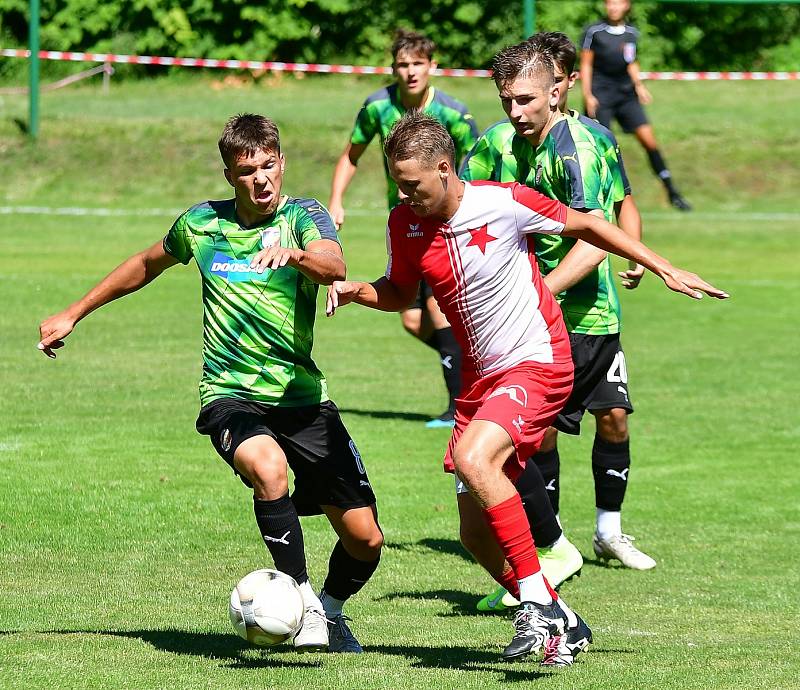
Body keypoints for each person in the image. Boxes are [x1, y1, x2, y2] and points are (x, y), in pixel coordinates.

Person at [326, 111, 726, 665]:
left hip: (538, 362)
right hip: (481, 382)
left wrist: (664, 267)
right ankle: (561, 619)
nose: (405, 193)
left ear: (445, 168)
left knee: (473, 459)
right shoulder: (404, 221)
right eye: (398, 183)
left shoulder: (502, 201)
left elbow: (589, 225)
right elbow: (399, 291)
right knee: (475, 534)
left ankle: (534, 606)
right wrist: (354, 292)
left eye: (414, 183)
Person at [37, 113, 384, 654]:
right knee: (267, 467)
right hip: (229, 394)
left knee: (365, 541)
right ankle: (302, 601)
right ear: (229, 175)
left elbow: (332, 264)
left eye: (269, 166)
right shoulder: (201, 225)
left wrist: (296, 256)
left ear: (282, 162)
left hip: (301, 398)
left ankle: (330, 612)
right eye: (247, 171)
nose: (261, 180)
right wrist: (73, 313)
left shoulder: (303, 215)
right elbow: (145, 263)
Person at [462, 33, 653, 614]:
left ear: (557, 90)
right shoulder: (496, 142)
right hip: (533, 326)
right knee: (529, 437)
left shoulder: (585, 147)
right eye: (506, 102)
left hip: (588, 315)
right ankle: (549, 548)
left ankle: (605, 531)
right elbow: (463, 202)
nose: (515, 113)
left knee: (612, 420)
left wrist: (631, 252)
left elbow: (609, 221)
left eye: (525, 100)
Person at [329, 28, 480, 427]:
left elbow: (481, 162)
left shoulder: (452, 112)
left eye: (418, 64)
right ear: (393, 68)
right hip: (404, 224)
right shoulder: (378, 106)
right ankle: (474, 368)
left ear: (433, 66)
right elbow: (351, 155)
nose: (411, 72)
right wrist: (336, 200)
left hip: (444, 223)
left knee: (437, 308)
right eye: (403, 64)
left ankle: (458, 407)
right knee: (413, 319)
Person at [581, 0, 692, 210]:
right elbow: (586, 64)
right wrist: (588, 94)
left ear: (627, 6)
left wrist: (639, 85)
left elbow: (630, 61)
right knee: (600, 146)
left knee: (650, 142)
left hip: (626, 95)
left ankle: (672, 192)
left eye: (618, 3)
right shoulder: (594, 31)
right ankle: (597, 198)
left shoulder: (631, 33)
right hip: (601, 95)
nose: (613, 7)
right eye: (610, 3)